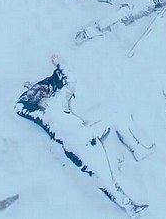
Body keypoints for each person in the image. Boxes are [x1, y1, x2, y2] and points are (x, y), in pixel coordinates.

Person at [15, 55, 151, 217]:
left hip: (88, 134)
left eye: (43, 89)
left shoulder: (59, 99)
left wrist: (59, 65)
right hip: (78, 148)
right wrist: (34, 90)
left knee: (115, 117)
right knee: (105, 180)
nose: (41, 92)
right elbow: (18, 107)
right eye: (37, 91)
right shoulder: (40, 115)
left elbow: (71, 80)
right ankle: (131, 209)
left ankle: (138, 149)